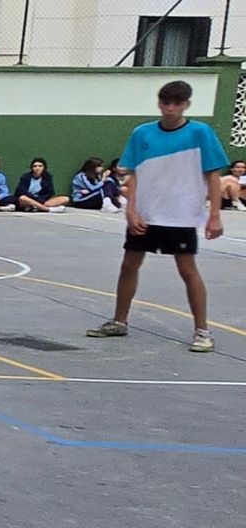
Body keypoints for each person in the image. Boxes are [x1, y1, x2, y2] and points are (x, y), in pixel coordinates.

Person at [85, 79, 227, 353]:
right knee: (129, 264)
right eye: (166, 103)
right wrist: (131, 209)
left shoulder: (201, 133)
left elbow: (213, 175)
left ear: (186, 105)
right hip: (147, 213)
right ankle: (119, 321)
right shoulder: (143, 134)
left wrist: (215, 215)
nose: (170, 108)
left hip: (181, 215)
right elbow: (135, 173)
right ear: (159, 103)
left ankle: (202, 331)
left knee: (187, 270)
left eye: (177, 103)